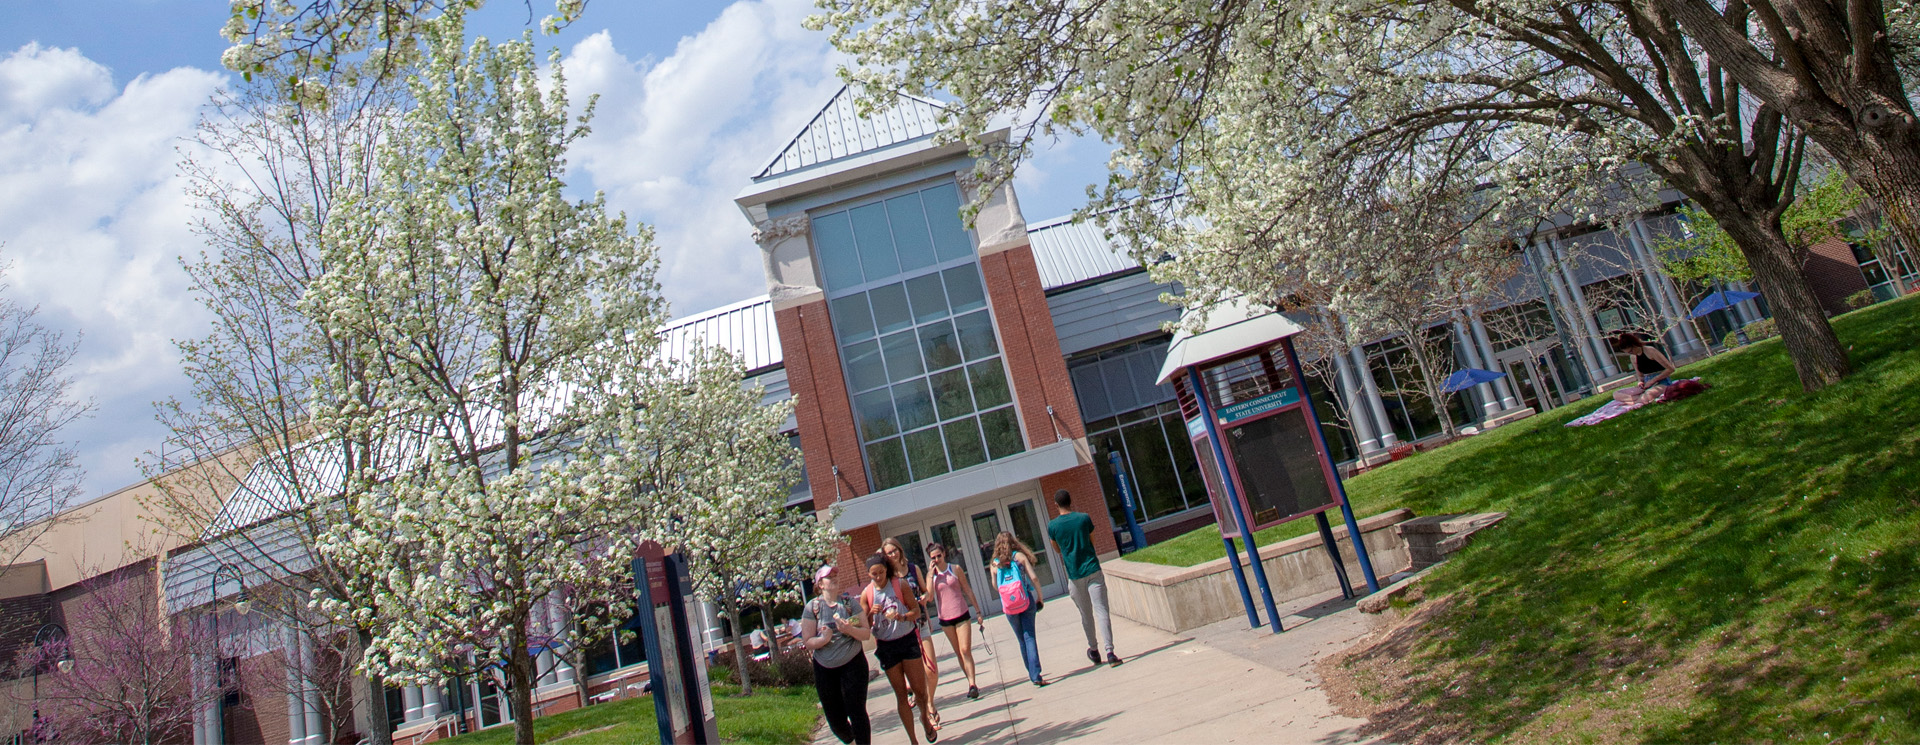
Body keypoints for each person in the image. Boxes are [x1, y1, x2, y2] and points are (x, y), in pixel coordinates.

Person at [860, 553, 939, 744]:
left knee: (919, 691)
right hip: (887, 646)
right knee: (901, 695)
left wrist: (902, 617)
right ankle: (913, 740)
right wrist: (871, 612)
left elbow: (916, 610)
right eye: (873, 574)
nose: (878, 577)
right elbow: (863, 624)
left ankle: (925, 719)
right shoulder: (867, 594)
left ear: (886, 569)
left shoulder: (899, 585)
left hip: (907, 639)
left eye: (880, 572)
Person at [1046, 489, 1124, 667]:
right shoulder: (1084, 518)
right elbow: (1092, 540)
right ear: (1071, 501)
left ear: (1056, 505)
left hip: (1074, 575)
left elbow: (1056, 549)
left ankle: (1094, 650)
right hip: (1093, 569)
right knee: (1102, 610)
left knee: (1086, 614)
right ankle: (1110, 652)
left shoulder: (1053, 526)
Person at [801, 564, 872, 745]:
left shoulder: (849, 604)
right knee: (835, 718)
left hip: (853, 662)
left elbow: (865, 632)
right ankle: (851, 740)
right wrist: (823, 639)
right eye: (828, 576)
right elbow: (808, 641)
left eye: (835, 575)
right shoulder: (813, 608)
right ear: (820, 584)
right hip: (825, 668)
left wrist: (849, 629)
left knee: (856, 710)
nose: (833, 578)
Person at [881, 537, 941, 718]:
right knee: (916, 676)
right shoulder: (887, 579)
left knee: (931, 670)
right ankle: (925, 707)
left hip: (920, 623)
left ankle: (929, 702)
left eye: (894, 550)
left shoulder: (913, 569)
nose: (892, 555)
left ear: (900, 550)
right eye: (888, 553)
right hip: (902, 630)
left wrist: (924, 598)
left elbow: (926, 592)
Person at [926, 542, 988, 700]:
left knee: (965, 649)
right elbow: (930, 597)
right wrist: (930, 575)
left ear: (944, 554)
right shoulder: (932, 576)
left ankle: (973, 683)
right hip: (945, 619)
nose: (937, 559)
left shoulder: (955, 569)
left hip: (961, 614)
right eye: (933, 557)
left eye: (939, 556)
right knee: (959, 653)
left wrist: (978, 611)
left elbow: (967, 589)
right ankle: (970, 682)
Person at [990, 531, 1048, 686]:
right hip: (1025, 600)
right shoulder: (1019, 557)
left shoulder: (995, 564)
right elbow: (1034, 577)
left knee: (1021, 639)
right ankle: (1036, 674)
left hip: (1009, 606)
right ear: (1013, 542)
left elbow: (996, 586)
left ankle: (1031, 672)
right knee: (1029, 636)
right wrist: (1039, 597)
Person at [1611, 331, 1677, 404]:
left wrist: (1653, 381)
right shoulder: (1633, 357)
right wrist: (1640, 382)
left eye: (1631, 351)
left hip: (1661, 382)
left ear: (1635, 345)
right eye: (1629, 353)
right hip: (1646, 385)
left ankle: (1634, 401)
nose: (1631, 353)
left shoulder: (1650, 351)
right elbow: (1640, 375)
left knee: (1649, 394)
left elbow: (1670, 369)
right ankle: (1638, 400)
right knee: (1616, 394)